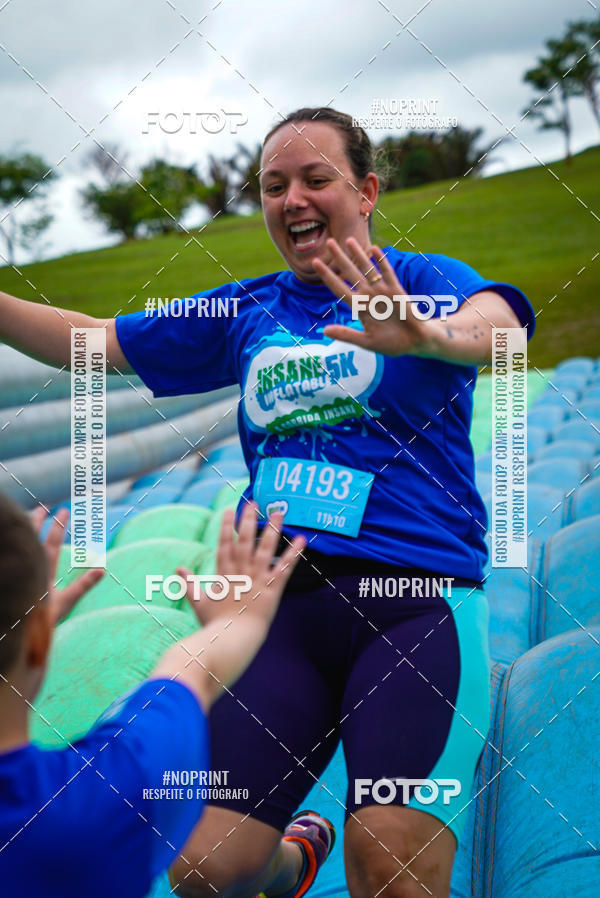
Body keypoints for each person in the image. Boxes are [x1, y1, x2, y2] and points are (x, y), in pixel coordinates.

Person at [0, 106, 535, 898]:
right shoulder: (246, 310)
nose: (293, 199)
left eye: (317, 179)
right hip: (275, 611)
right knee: (207, 870)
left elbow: (503, 327)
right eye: (274, 186)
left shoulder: (423, 281)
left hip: (412, 607)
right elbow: (98, 340)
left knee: (389, 864)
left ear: (367, 191)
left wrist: (425, 334)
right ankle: (293, 863)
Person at [0, 494, 304, 896]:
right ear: (41, 643)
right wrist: (236, 620)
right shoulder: (94, 808)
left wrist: (28, 629)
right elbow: (195, 671)